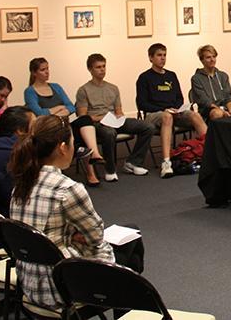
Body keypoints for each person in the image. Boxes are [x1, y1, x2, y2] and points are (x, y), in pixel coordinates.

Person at [8, 115, 143, 312]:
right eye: (73, 142)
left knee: (130, 243)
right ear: (62, 147)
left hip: (29, 281)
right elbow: (96, 237)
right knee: (131, 248)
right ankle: (124, 309)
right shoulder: (67, 189)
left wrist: (70, 236)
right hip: (60, 287)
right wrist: (76, 238)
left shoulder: (22, 182)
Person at [24, 57, 104, 187]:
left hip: (66, 127)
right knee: (73, 136)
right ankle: (88, 166)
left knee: (85, 120)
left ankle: (94, 156)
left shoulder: (56, 87)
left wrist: (55, 111)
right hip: (50, 131)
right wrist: (58, 109)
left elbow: (71, 106)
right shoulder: (30, 91)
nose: (47, 72)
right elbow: (38, 112)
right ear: (34, 73)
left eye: (47, 69)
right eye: (43, 70)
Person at [77, 53, 154, 182]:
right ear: (90, 69)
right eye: (98, 67)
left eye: (104, 66)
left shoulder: (113, 88)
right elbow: (82, 116)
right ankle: (110, 169)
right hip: (97, 123)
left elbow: (119, 111)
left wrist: (118, 117)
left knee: (148, 127)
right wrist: (103, 118)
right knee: (109, 132)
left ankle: (133, 162)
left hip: (114, 120)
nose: (102, 69)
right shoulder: (83, 90)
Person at [136, 43, 208, 178]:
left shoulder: (171, 75)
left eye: (164, 55)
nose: (162, 58)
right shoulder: (144, 78)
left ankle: (212, 152)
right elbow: (142, 104)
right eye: (159, 55)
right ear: (151, 58)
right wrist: (164, 110)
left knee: (195, 115)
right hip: (154, 114)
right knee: (167, 117)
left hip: (174, 111)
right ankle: (166, 162)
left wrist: (177, 108)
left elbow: (179, 97)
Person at [190, 44, 231, 121]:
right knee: (218, 114)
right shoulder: (196, 78)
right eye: (208, 57)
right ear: (202, 60)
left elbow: (228, 96)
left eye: (214, 57)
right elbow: (204, 101)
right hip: (209, 110)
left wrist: (230, 111)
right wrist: (222, 111)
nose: (212, 60)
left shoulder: (223, 75)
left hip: (226, 107)